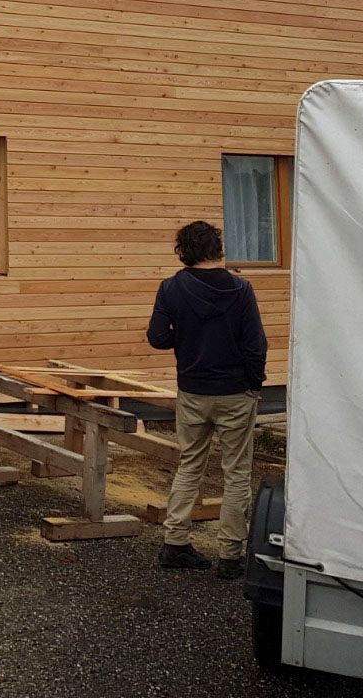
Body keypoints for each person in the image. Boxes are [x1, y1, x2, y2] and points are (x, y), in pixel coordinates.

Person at [146, 219, 268, 579]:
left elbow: (157, 337)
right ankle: (230, 556)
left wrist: (186, 336)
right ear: (217, 248)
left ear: (184, 251)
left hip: (193, 390)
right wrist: (255, 384)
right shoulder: (241, 289)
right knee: (236, 473)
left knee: (189, 466)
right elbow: (255, 345)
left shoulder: (171, 288)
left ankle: (175, 543)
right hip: (235, 392)